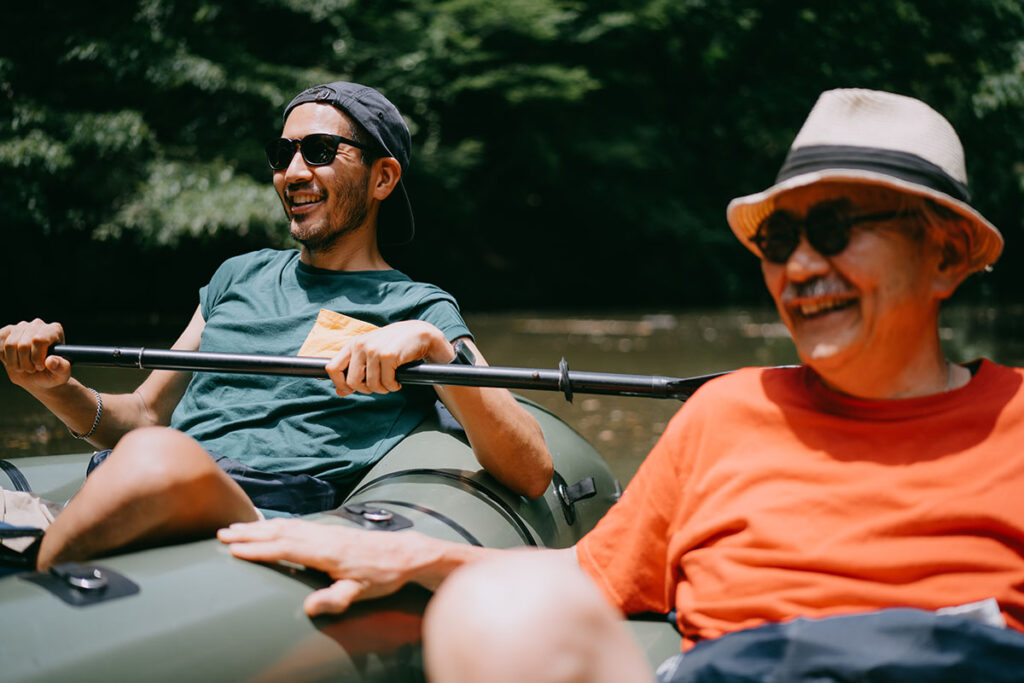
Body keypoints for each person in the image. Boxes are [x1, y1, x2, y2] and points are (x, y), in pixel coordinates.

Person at [219, 88, 1024, 682]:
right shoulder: (724, 415)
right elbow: (587, 575)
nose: (802, 266)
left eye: (836, 230)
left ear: (947, 254)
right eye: (780, 237)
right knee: (488, 612)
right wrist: (401, 552)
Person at [0, 81, 551, 571]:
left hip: (264, 507)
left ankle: (36, 578)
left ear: (383, 178)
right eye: (281, 154)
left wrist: (431, 345)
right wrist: (51, 386)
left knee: (159, 454)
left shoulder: (420, 307)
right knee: (153, 452)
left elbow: (531, 469)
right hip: (145, 479)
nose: (292, 172)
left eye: (318, 151)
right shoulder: (237, 275)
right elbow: (143, 416)